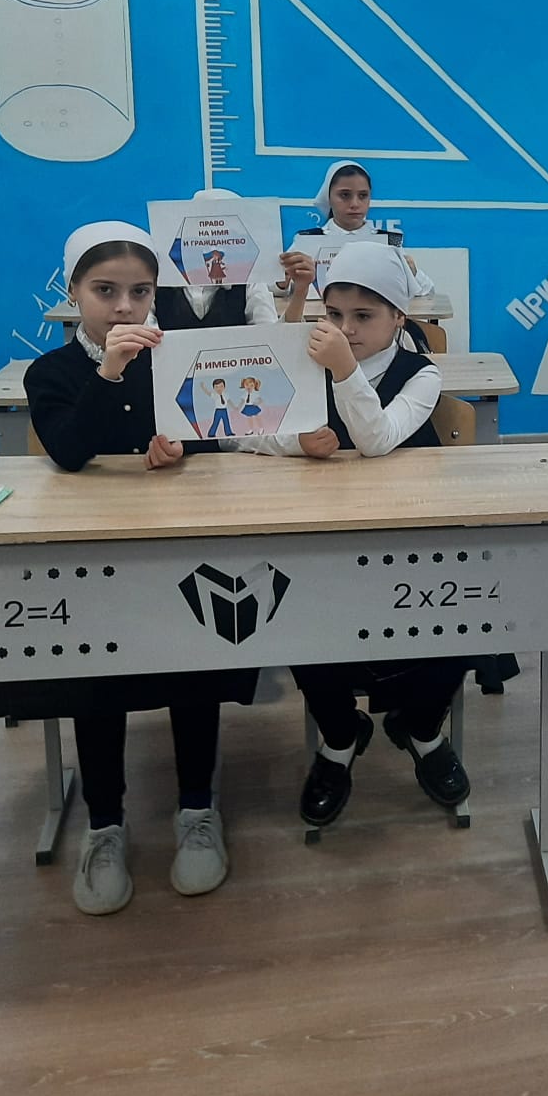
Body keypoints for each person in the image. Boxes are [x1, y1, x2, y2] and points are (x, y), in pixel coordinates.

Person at [13, 222, 251, 915]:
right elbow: (67, 451)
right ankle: (105, 822)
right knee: (97, 684)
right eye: (105, 291)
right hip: (94, 559)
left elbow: (207, 437)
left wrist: (177, 453)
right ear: (74, 293)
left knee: (195, 667)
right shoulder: (51, 371)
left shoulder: (175, 357)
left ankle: (197, 808)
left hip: (175, 546)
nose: (123, 307)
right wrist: (110, 372)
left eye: (140, 292)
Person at [225, 242, 470, 827]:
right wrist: (294, 443)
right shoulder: (304, 359)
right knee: (297, 619)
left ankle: (423, 730)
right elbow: (240, 432)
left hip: (408, 536)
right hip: (324, 533)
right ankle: (338, 738)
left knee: (464, 621)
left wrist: (344, 371)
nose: (346, 329)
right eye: (334, 314)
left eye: (364, 316)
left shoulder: (421, 374)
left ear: (398, 319)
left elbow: (377, 437)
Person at [156, 186, 313, 329]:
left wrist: (301, 290)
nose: (214, 241)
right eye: (204, 230)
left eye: (225, 232)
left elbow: (271, 336)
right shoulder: (159, 278)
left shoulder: (250, 282)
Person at [291, 160, 435, 297]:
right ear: (328, 197)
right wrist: (283, 283)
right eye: (345, 195)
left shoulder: (388, 242)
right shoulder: (307, 241)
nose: (355, 204)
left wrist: (413, 273)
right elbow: (283, 288)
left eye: (363, 195)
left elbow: (428, 291)